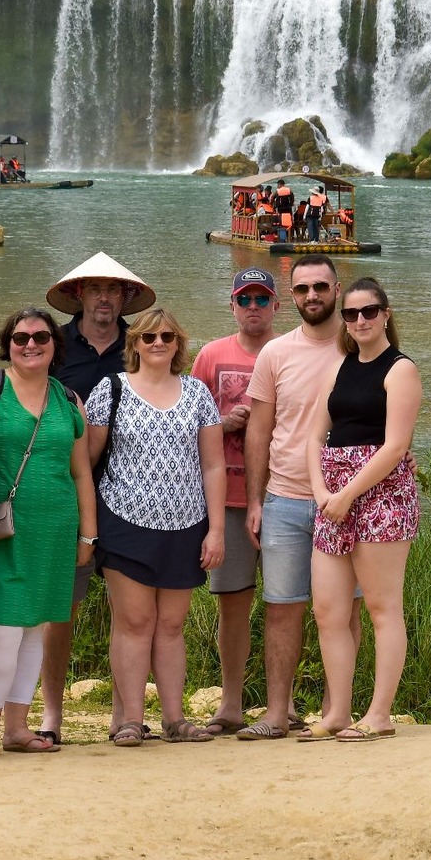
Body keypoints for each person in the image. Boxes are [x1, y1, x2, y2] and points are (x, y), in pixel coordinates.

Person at [0, 308, 98, 757]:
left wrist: (88, 536)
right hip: (0, 531)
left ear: (55, 345)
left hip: (55, 530)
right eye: (20, 338)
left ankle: (17, 727)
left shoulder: (69, 400)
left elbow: (81, 473)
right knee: (2, 627)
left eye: (41, 337)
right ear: (8, 345)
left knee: (36, 629)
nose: (30, 345)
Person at [87, 308, 225, 745]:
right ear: (135, 344)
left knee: (171, 625)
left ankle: (174, 719)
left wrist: (216, 529)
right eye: (149, 337)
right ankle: (130, 719)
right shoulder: (110, 390)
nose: (158, 343)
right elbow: (86, 461)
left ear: (178, 343)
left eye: (167, 336)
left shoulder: (198, 393)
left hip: (187, 522)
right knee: (134, 620)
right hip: (123, 520)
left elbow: (213, 465)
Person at [41, 253, 155, 741]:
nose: (104, 298)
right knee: (60, 610)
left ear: (126, 297)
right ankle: (51, 715)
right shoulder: (55, 347)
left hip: (132, 496)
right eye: (95, 289)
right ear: (78, 295)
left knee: (131, 612)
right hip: (67, 494)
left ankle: (125, 714)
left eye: (113, 290)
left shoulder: (142, 343)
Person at [237, 256, 351, 741]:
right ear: (293, 295)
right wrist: (256, 501)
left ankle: (335, 711)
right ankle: (276, 714)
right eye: (302, 288)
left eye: (320, 286)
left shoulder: (360, 348)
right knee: (281, 607)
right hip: (283, 498)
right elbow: (259, 430)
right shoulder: (276, 353)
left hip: (345, 502)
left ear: (337, 289)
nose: (312, 295)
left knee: (343, 610)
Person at [308, 278, 422, 740]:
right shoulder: (340, 367)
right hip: (333, 498)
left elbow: (395, 446)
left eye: (369, 311)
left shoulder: (401, 370)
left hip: (381, 495)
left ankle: (378, 715)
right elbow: (315, 436)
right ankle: (337, 712)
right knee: (328, 610)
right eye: (351, 314)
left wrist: (348, 494)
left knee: (381, 607)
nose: (360, 320)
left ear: (386, 314)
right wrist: (322, 492)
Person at [190, 268, 279, 734]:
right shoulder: (211, 355)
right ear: (232, 306)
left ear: (276, 306)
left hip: (282, 494)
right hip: (226, 498)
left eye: (262, 300)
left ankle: (282, 705)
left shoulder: (290, 352)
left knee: (287, 604)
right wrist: (222, 424)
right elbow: (186, 417)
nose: (253, 308)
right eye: (245, 299)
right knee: (233, 605)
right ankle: (230, 704)